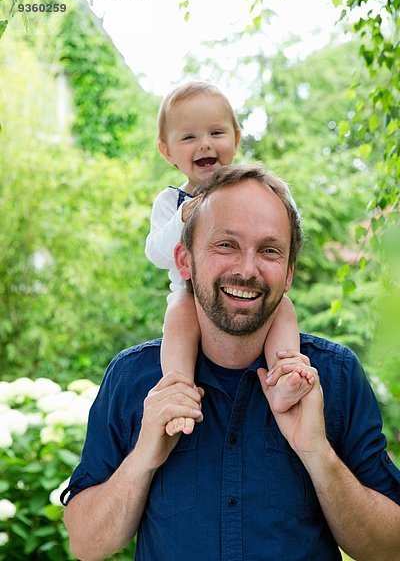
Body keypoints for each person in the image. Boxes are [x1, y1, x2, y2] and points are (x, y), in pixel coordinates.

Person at [62, 165, 400, 561]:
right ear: (184, 261)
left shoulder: (335, 376)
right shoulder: (132, 378)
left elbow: (390, 548)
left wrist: (316, 452)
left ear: (288, 273)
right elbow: (85, 544)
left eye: (270, 250)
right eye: (226, 245)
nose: (247, 269)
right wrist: (142, 459)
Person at [145, 81, 313, 436]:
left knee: (283, 308)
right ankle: (178, 389)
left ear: (236, 140)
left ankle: (285, 372)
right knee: (178, 315)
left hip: (250, 304)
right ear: (167, 151)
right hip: (192, 295)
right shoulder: (171, 202)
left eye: (216, 132)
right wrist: (183, 218)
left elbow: (288, 223)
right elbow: (157, 253)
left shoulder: (255, 189)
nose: (205, 143)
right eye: (189, 137)